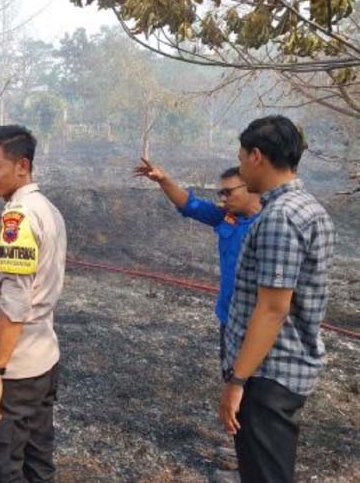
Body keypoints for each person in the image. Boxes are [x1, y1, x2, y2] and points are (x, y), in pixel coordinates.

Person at [219, 115, 335, 483]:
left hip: (268, 374)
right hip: (279, 370)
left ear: (257, 156)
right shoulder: (307, 208)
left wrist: (237, 381)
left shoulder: (280, 219)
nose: (239, 168)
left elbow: (272, 309)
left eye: (240, 158)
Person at [0, 124, 67, 482]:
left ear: (22, 165)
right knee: (37, 464)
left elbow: (15, 303)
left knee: (1, 468)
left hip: (13, 374)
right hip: (41, 363)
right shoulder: (46, 209)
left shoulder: (19, 217)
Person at [133, 159, 261, 369]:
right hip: (228, 317)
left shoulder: (270, 225)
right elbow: (189, 205)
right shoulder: (226, 217)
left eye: (228, 192)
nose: (223, 199)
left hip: (256, 322)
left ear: (252, 188)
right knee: (231, 373)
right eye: (221, 194)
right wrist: (164, 180)